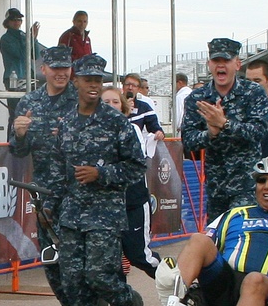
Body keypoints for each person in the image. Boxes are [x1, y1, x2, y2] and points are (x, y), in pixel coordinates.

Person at [155, 155, 268, 306]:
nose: (267, 186)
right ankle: (174, 297)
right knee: (199, 240)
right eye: (261, 180)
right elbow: (203, 246)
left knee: (254, 280)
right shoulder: (235, 213)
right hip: (226, 286)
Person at [45, 54, 145, 305]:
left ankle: (131, 301)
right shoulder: (66, 123)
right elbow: (58, 169)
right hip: (71, 217)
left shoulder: (116, 123)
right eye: (88, 80)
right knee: (72, 282)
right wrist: (50, 205)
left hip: (105, 216)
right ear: (75, 82)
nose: (93, 85)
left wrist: (101, 174)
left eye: (98, 81)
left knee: (100, 277)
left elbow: (136, 167)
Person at [9, 45, 77, 305]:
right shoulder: (29, 102)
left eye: (66, 68)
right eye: (56, 68)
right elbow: (17, 150)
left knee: (79, 262)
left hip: (78, 194)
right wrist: (21, 133)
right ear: (43, 69)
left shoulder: (82, 99)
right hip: (46, 197)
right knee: (52, 260)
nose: (61, 73)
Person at [180, 38, 268, 221]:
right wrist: (210, 133)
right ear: (209, 64)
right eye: (216, 61)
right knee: (217, 239)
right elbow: (188, 140)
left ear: (237, 64)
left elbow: (258, 131)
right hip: (215, 186)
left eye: (226, 61)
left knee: (239, 233)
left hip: (247, 184)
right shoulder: (197, 98)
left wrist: (224, 124)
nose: (221, 66)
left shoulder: (253, 93)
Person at [102, 86, 161, 280]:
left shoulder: (133, 129)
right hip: (105, 207)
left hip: (132, 204)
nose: (111, 106)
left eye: (115, 102)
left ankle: (179, 283)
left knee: (140, 256)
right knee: (109, 263)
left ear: (123, 106)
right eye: (106, 102)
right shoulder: (89, 132)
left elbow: (132, 164)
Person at [0, 8, 42, 136]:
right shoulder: (5, 38)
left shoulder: (24, 36)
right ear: (7, 22)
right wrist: (30, 38)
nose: (17, 22)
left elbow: (35, 54)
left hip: (27, 77)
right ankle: (11, 141)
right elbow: (20, 54)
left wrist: (33, 39)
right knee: (15, 113)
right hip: (13, 79)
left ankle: (25, 139)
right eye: (14, 20)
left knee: (30, 112)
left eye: (19, 20)